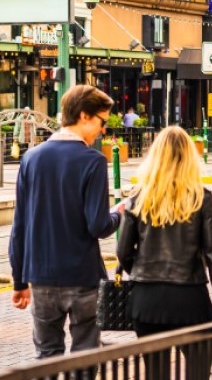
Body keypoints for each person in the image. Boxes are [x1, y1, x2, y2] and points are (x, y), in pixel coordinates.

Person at [9, 85, 122, 360]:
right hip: (83, 278)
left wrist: (19, 281)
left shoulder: (31, 159)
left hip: (42, 277)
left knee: (46, 356)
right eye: (102, 121)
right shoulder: (93, 161)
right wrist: (120, 212)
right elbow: (99, 226)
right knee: (84, 356)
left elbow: (20, 226)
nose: (103, 129)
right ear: (84, 116)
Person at [117, 126, 212, 379]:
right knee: (199, 369)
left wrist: (140, 272)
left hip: (146, 301)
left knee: (155, 372)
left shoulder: (138, 197)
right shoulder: (202, 198)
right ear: (190, 158)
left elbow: (122, 252)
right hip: (190, 299)